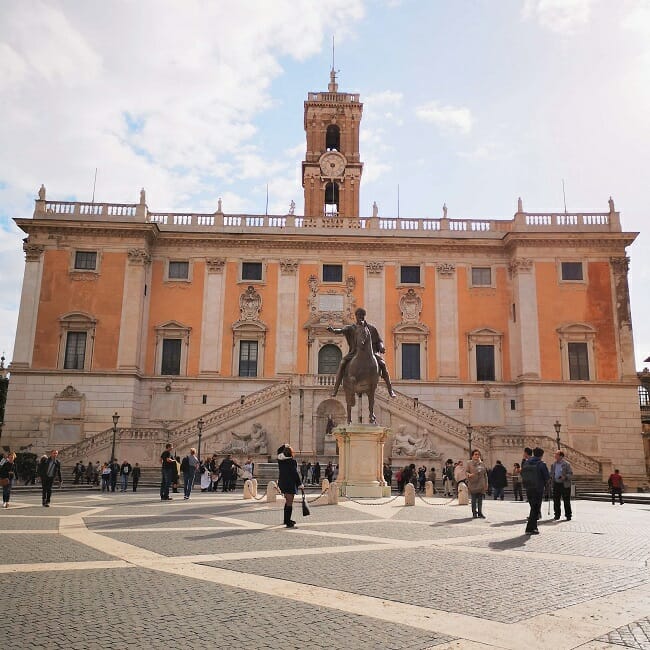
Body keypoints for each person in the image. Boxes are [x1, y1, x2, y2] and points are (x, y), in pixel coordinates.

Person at [327, 307, 396, 397]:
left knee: (382, 364)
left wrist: (381, 347)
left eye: (362, 316)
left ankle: (390, 390)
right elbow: (341, 330)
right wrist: (333, 330)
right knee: (343, 363)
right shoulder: (352, 328)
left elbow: (379, 341)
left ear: (364, 316)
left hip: (372, 353)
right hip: (354, 352)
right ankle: (335, 389)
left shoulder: (371, 329)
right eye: (359, 315)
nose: (360, 317)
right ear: (356, 316)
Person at [524, 447, 550, 535]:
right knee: (535, 508)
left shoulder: (526, 462)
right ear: (541, 455)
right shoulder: (542, 464)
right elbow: (547, 477)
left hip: (528, 487)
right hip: (538, 489)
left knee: (533, 508)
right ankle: (529, 528)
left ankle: (534, 527)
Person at [277, 444, 304, 528]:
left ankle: (286, 519)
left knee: (287, 501)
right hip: (289, 484)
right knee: (289, 502)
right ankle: (288, 522)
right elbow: (295, 473)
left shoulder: (280, 460)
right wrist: (300, 484)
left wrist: (284, 445)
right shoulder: (292, 461)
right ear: (291, 453)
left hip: (282, 483)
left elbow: (278, 451)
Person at [550, 450, 573, 521]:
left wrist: (565, 477)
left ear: (561, 456)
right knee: (556, 500)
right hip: (556, 484)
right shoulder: (553, 465)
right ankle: (557, 514)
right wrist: (551, 478)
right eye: (555, 454)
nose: (555, 456)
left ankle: (568, 515)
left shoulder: (567, 464)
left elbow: (571, 474)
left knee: (566, 500)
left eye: (557, 454)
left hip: (564, 484)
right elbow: (551, 473)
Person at [466, 449, 488, 519]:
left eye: (478, 454)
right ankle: (474, 513)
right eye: (475, 454)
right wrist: (469, 475)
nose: (477, 456)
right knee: (474, 500)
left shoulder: (482, 463)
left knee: (480, 500)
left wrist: (486, 483)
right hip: (473, 483)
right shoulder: (469, 463)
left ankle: (480, 513)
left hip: (481, 483)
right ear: (472, 456)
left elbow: (485, 474)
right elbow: (466, 472)